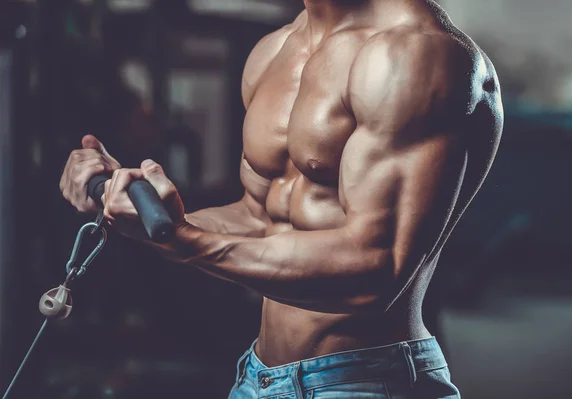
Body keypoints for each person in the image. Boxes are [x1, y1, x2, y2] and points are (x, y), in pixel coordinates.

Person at [59, 0, 503, 397]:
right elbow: (257, 219)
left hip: (365, 381)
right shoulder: (275, 51)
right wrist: (134, 210)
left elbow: (377, 268)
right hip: (259, 375)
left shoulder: (418, 55)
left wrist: (183, 243)